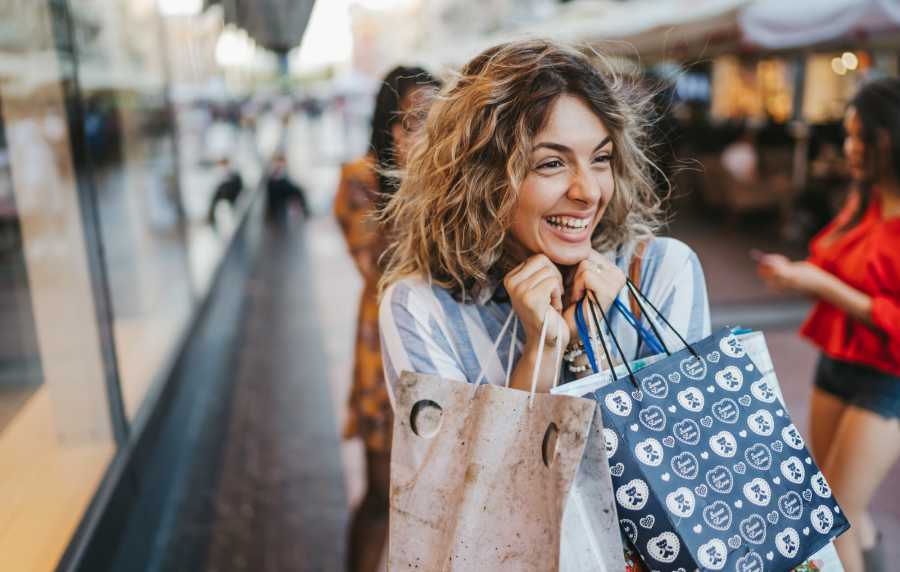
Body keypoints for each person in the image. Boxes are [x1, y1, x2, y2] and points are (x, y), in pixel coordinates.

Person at [378, 34, 709, 496]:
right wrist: (543, 351)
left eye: (600, 159)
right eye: (552, 163)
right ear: (481, 177)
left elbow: (687, 471)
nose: (588, 192)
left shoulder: (659, 273)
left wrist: (596, 344)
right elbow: (462, 505)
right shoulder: (422, 309)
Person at [757, 77, 900, 572]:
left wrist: (824, 285)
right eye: (849, 135)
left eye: (862, 137)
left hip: (887, 378)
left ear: (891, 137)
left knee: (836, 514)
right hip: (837, 363)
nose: (850, 148)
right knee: (834, 500)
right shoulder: (863, 201)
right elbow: (835, 267)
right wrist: (797, 275)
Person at [333, 65, 440, 572]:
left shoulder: (450, 179)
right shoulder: (360, 179)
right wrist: (412, 178)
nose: (426, 131)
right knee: (380, 491)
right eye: (414, 119)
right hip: (381, 346)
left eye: (435, 119)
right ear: (389, 124)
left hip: (437, 341)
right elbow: (379, 264)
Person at [265, 152, 309, 224]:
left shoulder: (281, 172)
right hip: (277, 191)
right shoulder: (274, 171)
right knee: (298, 191)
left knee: (299, 191)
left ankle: (305, 211)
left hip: (281, 191)